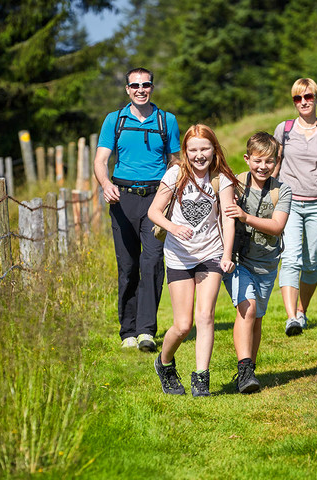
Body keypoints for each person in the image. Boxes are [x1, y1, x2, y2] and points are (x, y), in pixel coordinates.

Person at [93, 67, 180, 352]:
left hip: (157, 198)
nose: (141, 89)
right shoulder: (114, 120)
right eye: (135, 85)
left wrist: (171, 194)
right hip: (122, 198)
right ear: (127, 89)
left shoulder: (167, 121)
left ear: (152, 87)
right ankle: (127, 331)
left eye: (146, 85)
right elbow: (101, 159)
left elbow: (176, 161)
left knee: (153, 263)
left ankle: (146, 331)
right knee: (129, 266)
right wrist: (105, 183)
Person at [148, 124, 238, 396]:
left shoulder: (221, 178)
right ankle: (164, 363)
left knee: (205, 316)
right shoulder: (176, 174)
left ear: (214, 149)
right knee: (183, 325)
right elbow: (154, 211)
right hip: (178, 256)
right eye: (193, 149)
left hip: (210, 253)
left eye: (205, 149)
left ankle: (201, 378)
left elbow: (228, 218)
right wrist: (174, 228)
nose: (200, 155)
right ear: (185, 151)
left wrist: (226, 254)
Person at [273, 77, 317, 336]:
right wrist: (268, 188)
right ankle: (291, 318)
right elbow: (275, 162)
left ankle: (302, 310)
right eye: (297, 98)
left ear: (316, 98)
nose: (303, 102)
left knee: (311, 261)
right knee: (290, 257)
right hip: (289, 202)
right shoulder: (284, 129)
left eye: (308, 97)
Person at [223, 132, 291, 393]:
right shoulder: (235, 184)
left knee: (257, 317)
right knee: (247, 309)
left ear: (276, 162)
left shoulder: (282, 190)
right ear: (247, 159)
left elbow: (277, 226)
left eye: (269, 162)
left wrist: (245, 216)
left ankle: (249, 369)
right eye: (258, 161)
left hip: (267, 263)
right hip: (239, 259)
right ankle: (244, 372)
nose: (263, 167)